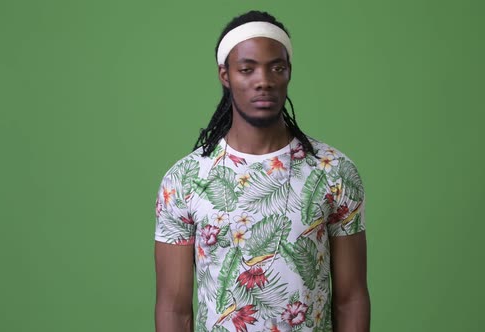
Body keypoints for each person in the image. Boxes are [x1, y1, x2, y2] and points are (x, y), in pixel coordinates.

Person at [154, 10, 370, 332]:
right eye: (247, 69)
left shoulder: (334, 172)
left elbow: (351, 298)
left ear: (288, 73)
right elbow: (174, 309)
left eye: (276, 68)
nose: (264, 81)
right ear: (225, 75)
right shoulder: (184, 180)